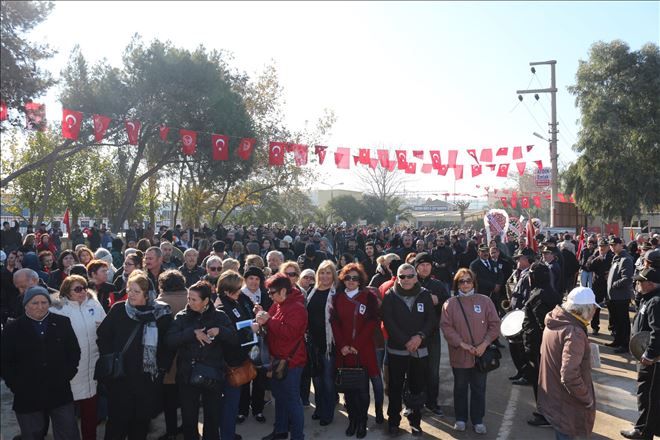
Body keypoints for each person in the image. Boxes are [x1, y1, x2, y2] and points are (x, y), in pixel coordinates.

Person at [97, 270, 174, 439]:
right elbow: (103, 337)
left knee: (140, 425)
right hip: (120, 378)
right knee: (116, 424)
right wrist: (112, 359)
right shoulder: (119, 310)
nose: (130, 295)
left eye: (136, 291)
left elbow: (168, 346)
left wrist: (160, 369)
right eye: (129, 290)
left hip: (146, 381)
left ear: (148, 295)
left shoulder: (161, 315)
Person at [1, 285, 82, 440]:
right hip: (27, 394)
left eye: (44, 302)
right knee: (32, 434)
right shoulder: (12, 329)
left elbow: (74, 352)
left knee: (68, 432)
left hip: (59, 390)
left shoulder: (62, 322)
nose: (40, 306)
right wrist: (16, 384)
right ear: (26, 305)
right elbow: (5, 362)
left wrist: (67, 375)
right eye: (35, 303)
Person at [166, 280, 237, 440]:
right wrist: (192, 333)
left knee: (212, 418)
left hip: (213, 375)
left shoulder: (219, 316)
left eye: (194, 299)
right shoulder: (182, 317)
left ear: (206, 301)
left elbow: (234, 338)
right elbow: (170, 340)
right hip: (187, 375)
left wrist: (220, 331)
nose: (189, 302)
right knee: (189, 418)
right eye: (188, 298)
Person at [441, 268, 500, 435]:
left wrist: (485, 344)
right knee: (460, 387)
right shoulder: (450, 303)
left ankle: (478, 419)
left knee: (479, 388)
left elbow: (494, 324)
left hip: (481, 354)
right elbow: (446, 327)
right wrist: (462, 344)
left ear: (474, 282)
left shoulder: (485, 301)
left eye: (468, 280)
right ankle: (460, 418)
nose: (465, 284)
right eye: (462, 281)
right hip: (460, 353)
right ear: (456, 284)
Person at [382, 263, 438, 437]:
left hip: (419, 350)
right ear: (397, 278)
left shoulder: (425, 295)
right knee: (395, 387)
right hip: (397, 351)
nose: (405, 280)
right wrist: (406, 341)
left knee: (417, 387)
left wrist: (419, 337)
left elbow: (431, 320)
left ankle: (415, 421)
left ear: (415, 277)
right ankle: (393, 421)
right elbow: (389, 322)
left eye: (409, 276)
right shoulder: (390, 296)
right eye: (402, 277)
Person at [537, 287, 598, 440]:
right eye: (593, 308)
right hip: (566, 404)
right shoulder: (574, 332)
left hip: (554, 397)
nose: (595, 312)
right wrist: (587, 398)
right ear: (585, 309)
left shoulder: (554, 321)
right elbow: (569, 375)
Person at [50, 275, 106, 440]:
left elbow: (106, 328)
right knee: (67, 418)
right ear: (67, 291)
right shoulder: (58, 310)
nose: (82, 292)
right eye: (77, 289)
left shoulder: (95, 305)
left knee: (91, 415)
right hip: (70, 371)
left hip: (92, 369)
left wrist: (103, 328)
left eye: (84, 287)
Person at [254, 273, 307, 440]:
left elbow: (290, 333)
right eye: (268, 292)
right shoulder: (277, 304)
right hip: (277, 359)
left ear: (283, 291)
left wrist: (268, 320)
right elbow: (271, 326)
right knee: (280, 398)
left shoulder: (297, 308)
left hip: (291, 361)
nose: (269, 295)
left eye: (272, 292)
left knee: (292, 402)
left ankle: (298, 436)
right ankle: (280, 431)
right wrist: (262, 318)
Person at [331, 263, 379, 438]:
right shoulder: (337, 298)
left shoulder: (368, 297)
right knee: (349, 390)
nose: (351, 281)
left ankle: (362, 422)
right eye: (348, 277)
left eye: (355, 278)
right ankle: (352, 420)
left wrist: (356, 345)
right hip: (343, 350)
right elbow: (334, 322)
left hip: (362, 349)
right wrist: (343, 345)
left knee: (362, 390)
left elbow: (372, 322)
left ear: (360, 281)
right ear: (343, 279)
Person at [215, 271, 258, 438]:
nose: (240, 291)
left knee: (232, 402)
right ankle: (227, 434)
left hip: (239, 358)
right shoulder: (222, 308)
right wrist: (250, 330)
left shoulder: (235, 302)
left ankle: (228, 432)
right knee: (229, 403)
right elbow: (229, 336)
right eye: (237, 288)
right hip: (230, 362)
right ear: (227, 290)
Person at [620, 267, 660, 440]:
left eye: (640, 281)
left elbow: (657, 331)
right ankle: (648, 427)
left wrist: (650, 355)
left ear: (650, 284)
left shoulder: (656, 301)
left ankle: (643, 431)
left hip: (652, 361)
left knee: (648, 396)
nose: (637, 283)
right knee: (647, 395)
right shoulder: (648, 298)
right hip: (646, 356)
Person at [521, 263, 563, 426]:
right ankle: (545, 410)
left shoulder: (539, 295)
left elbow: (544, 324)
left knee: (542, 381)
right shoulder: (551, 292)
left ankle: (546, 414)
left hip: (539, 347)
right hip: (543, 347)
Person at [413, 252, 450, 415]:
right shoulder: (409, 282)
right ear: (416, 267)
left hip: (433, 335)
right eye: (421, 264)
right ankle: (414, 402)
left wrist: (439, 302)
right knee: (414, 370)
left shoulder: (438, 285)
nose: (425, 267)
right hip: (413, 334)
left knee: (432, 371)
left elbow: (449, 308)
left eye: (428, 264)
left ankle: (432, 402)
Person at [156, 270, 190, 440]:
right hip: (189, 357)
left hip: (167, 359)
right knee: (187, 398)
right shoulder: (191, 299)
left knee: (169, 399)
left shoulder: (159, 303)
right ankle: (187, 428)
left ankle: (171, 432)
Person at [303, 260, 338, 424]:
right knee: (316, 379)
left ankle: (328, 412)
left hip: (329, 343)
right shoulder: (312, 291)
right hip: (313, 343)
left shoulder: (336, 293)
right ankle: (319, 407)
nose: (324, 276)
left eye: (328, 273)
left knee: (327, 380)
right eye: (322, 273)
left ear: (333, 275)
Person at [607, 236, 635, 354]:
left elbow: (627, 279)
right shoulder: (616, 257)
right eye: (611, 245)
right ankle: (617, 341)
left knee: (623, 321)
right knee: (617, 321)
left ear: (621, 245)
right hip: (613, 297)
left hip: (621, 297)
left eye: (614, 245)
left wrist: (614, 284)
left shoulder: (625, 259)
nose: (612, 247)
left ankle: (624, 344)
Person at [586, 238, 614, 336]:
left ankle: (612, 328)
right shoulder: (595, 255)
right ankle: (595, 327)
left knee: (611, 306)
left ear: (608, 247)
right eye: (600, 246)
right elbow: (588, 267)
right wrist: (597, 258)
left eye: (604, 246)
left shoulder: (612, 256)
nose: (602, 248)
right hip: (597, 284)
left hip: (609, 285)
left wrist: (610, 273)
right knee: (596, 306)